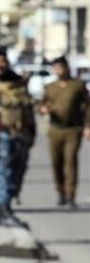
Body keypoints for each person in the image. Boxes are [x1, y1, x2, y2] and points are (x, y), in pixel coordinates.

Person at [0, 46, 36, 227]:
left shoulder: (19, 83)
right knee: (4, 172)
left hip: (21, 135)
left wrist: (32, 133)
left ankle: (4, 209)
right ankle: (3, 208)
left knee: (17, 173)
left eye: (1, 61)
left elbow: (28, 109)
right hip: (1, 135)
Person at [40, 56, 90, 208]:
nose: (58, 71)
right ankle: (60, 192)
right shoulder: (49, 87)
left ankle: (70, 195)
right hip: (55, 129)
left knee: (70, 162)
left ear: (67, 68)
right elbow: (41, 104)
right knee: (56, 163)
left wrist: (88, 127)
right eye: (55, 68)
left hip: (73, 129)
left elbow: (88, 106)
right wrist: (43, 109)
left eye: (60, 68)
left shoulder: (77, 85)